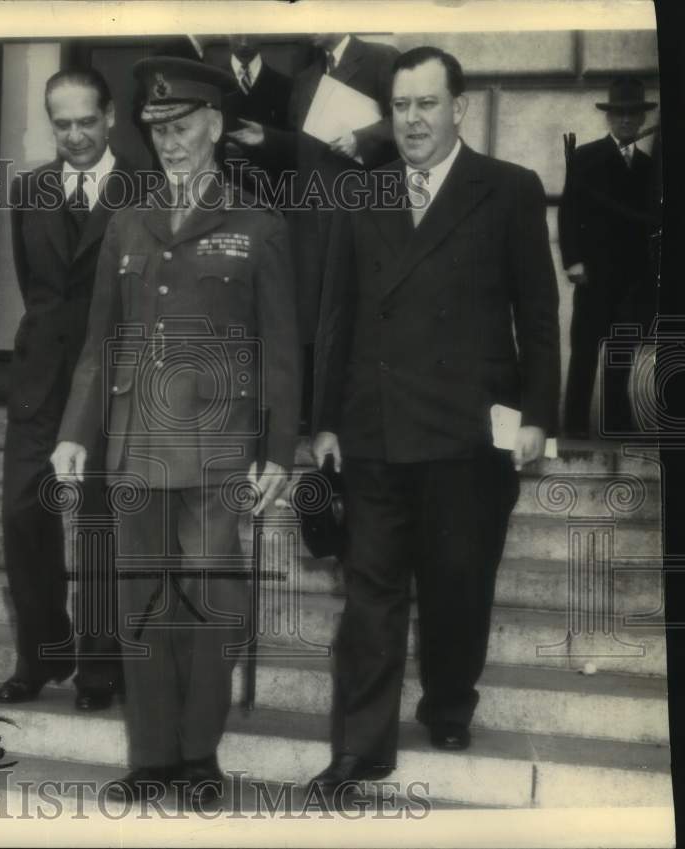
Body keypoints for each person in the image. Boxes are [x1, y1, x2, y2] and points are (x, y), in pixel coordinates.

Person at [310, 47, 560, 796]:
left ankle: (450, 699)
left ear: (458, 106)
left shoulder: (509, 190)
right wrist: (324, 421)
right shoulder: (364, 194)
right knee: (371, 594)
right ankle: (361, 748)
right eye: (400, 106)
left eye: (426, 104)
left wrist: (537, 416)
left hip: (468, 428)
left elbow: (538, 318)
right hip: (375, 427)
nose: (412, 120)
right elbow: (337, 317)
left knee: (458, 581)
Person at [51, 57, 300, 805]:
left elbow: (282, 352)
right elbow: (101, 344)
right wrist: (75, 432)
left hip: (220, 449)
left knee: (206, 605)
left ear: (217, 126)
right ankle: (152, 756)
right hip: (134, 446)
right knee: (141, 606)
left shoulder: (258, 226)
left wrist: (278, 450)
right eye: (157, 129)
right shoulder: (127, 221)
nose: (171, 141)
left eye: (184, 125)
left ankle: (198, 757)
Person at [0, 68, 141, 711]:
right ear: (49, 123)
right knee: (23, 515)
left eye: (87, 121)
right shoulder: (28, 190)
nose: (76, 135)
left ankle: (100, 666)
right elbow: (36, 286)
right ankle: (42, 652)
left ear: (110, 117)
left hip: (115, 381)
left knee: (102, 525)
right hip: (41, 381)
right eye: (62, 124)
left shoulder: (147, 188)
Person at [228, 32, 399, 427]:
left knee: (357, 321)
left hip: (362, 216)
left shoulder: (380, 60)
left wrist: (362, 139)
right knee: (311, 323)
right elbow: (307, 151)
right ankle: (315, 416)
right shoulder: (305, 78)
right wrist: (267, 139)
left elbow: (406, 123)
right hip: (309, 222)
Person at [558, 77, 657, 438]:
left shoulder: (649, 167)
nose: (627, 121)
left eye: (633, 115)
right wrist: (573, 262)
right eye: (620, 114)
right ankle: (574, 428)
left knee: (621, 352)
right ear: (609, 118)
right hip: (594, 275)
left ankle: (616, 425)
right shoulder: (585, 157)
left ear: (642, 120)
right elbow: (568, 212)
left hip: (631, 280)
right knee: (585, 352)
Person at [219, 34, 294, 184]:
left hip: (271, 189)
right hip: (223, 186)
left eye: (251, 34)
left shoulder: (286, 86)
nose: (244, 42)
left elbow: (294, 145)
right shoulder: (211, 83)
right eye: (237, 33)